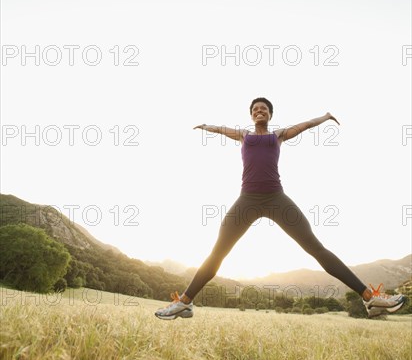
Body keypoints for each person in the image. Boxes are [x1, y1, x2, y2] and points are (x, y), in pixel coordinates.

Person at [155, 98, 406, 320]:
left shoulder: (279, 136)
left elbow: (306, 124)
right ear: (251, 115)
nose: (259, 111)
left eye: (264, 108)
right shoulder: (244, 135)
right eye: (255, 109)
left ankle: (369, 297)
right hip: (247, 200)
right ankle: (184, 304)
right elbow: (222, 130)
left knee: (316, 248)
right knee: (217, 253)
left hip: (277, 199)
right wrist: (206, 126)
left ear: (270, 115)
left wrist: (326, 116)